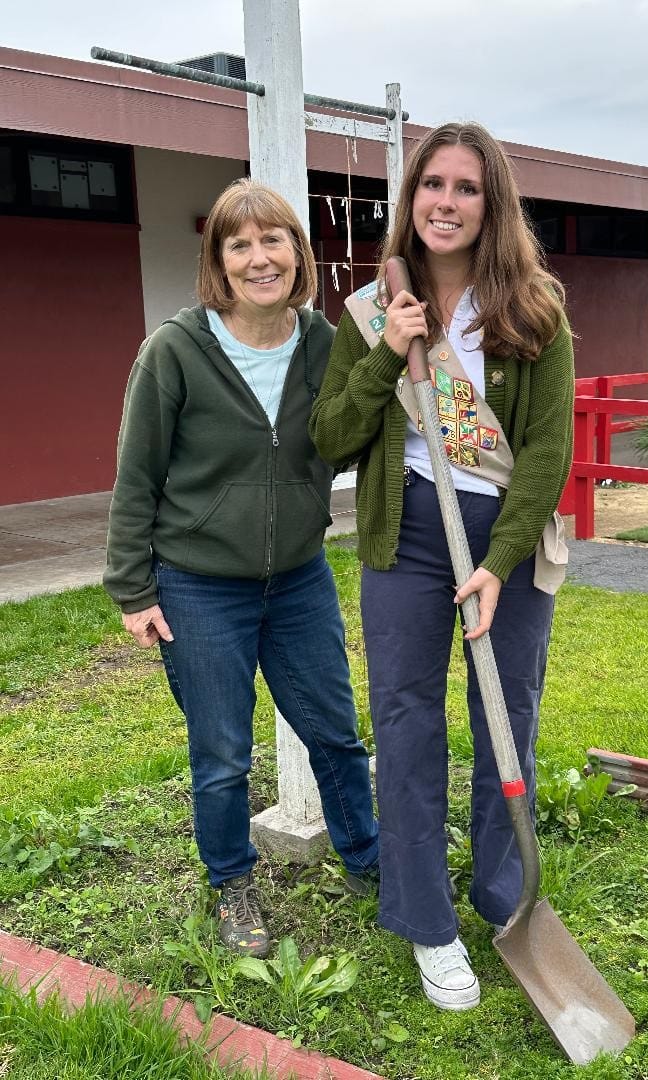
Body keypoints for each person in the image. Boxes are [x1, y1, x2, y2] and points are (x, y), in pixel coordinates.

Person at [310, 122, 574, 1011]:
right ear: (410, 198)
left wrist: (501, 561)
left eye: (466, 188)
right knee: (407, 721)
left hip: (508, 540)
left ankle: (505, 897)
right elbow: (331, 437)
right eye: (433, 185)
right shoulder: (369, 312)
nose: (446, 203)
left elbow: (544, 453)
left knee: (508, 717)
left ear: (491, 205)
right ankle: (427, 918)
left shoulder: (535, 307)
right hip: (406, 541)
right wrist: (391, 353)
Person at [104, 179, 378, 958]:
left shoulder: (328, 343)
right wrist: (133, 586)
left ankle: (367, 860)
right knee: (221, 753)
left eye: (274, 240)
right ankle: (232, 885)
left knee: (335, 731)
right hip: (197, 585)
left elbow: (355, 431)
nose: (261, 258)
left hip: (297, 578)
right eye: (240, 244)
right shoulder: (176, 350)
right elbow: (137, 474)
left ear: (298, 251)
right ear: (218, 263)